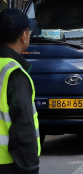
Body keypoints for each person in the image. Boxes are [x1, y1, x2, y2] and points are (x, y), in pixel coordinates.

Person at [0, 9, 40, 174]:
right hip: (8, 164)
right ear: (24, 35)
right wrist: (30, 168)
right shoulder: (13, 73)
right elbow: (22, 126)